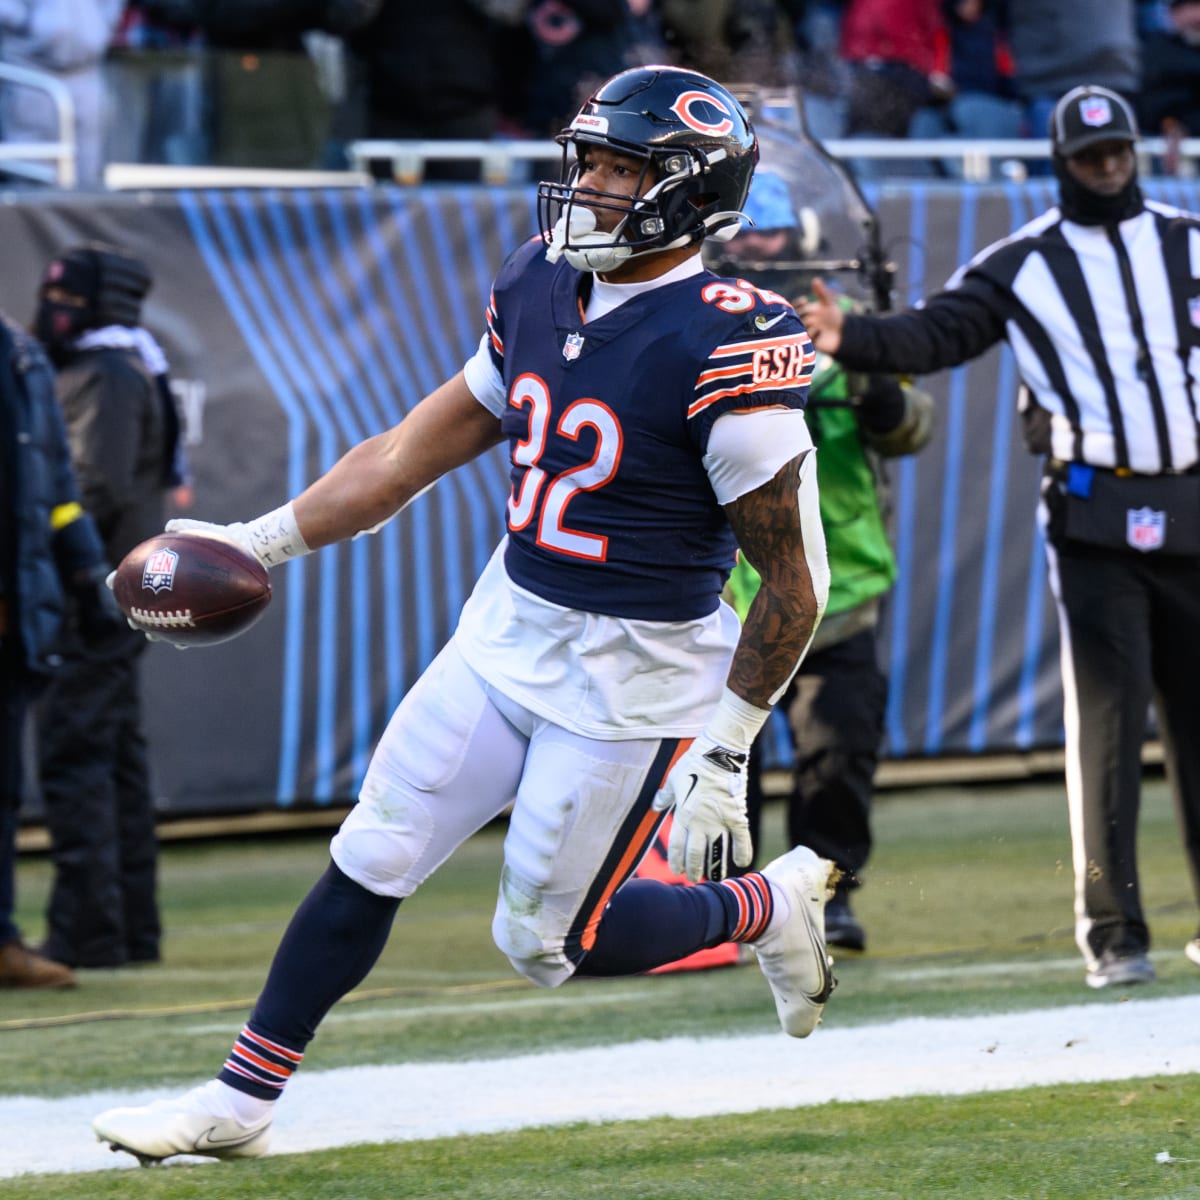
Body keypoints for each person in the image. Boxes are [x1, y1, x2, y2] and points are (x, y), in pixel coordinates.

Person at [92, 65, 837, 1163]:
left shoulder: (725, 341)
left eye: (621, 168)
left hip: (633, 674)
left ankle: (765, 907)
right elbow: (403, 455)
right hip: (508, 628)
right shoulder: (539, 282)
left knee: (544, 942)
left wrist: (725, 751)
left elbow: (793, 581)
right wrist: (256, 542)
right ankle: (239, 1101)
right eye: (586, 160)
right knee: (373, 851)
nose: (588, 187)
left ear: (689, 191)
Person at [797, 84, 1200, 989]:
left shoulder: (1187, 242)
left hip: (1193, 504)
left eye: (1118, 154)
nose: (1108, 168)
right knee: (1105, 732)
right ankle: (1115, 933)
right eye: (1091, 158)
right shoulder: (1025, 263)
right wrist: (850, 335)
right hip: (1095, 514)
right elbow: (940, 332)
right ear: (1064, 165)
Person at [32, 243, 182, 971]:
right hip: (115, 593)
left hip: (92, 598)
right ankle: (128, 930)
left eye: (68, 300)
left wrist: (51, 549)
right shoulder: (127, 366)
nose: (52, 312)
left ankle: (89, 932)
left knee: (77, 753)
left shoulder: (104, 375)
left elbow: (96, 487)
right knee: (114, 754)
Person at [0, 309, 122, 989]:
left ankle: (0, 939)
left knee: (4, 790)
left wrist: (85, 576)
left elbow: (55, 487)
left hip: (13, 612)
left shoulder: (21, 354)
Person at [0, 0, 126, 188]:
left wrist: (96, 27)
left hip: (86, 72)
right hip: (29, 70)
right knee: (32, 177)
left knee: (87, 179)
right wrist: (28, 22)